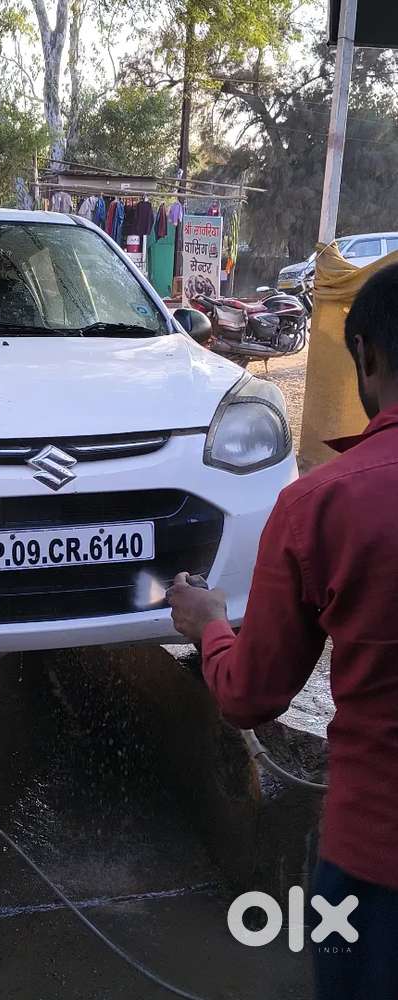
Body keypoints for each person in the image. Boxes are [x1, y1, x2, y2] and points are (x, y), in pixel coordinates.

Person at [167, 261, 398, 1000]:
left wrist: (207, 626)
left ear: (363, 355)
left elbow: (248, 697)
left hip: (377, 868)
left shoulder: (323, 506)